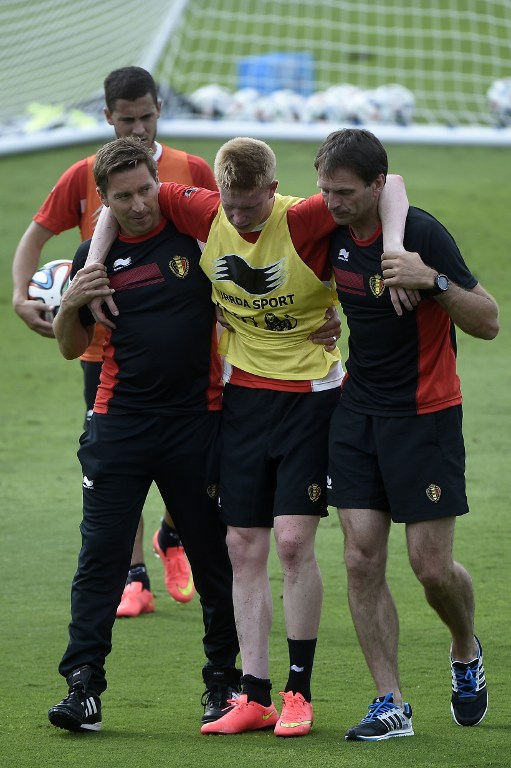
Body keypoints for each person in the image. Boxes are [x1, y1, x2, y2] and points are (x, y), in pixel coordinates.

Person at [87, 136, 410, 737]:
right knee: (242, 546)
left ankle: (299, 692)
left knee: (292, 542)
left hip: (312, 401)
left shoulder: (306, 216)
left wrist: (391, 250)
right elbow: (118, 199)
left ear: (273, 189)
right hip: (241, 402)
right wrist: (91, 264)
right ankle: (252, 695)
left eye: (249, 207)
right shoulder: (205, 210)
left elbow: (389, 186)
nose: (237, 218)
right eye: (229, 206)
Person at [47, 137, 242, 733]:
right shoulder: (92, 257)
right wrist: (69, 303)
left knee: (215, 560)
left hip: (197, 423)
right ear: (103, 200)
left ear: (157, 178)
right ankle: (83, 688)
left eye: (145, 189)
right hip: (120, 423)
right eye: (123, 196)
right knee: (100, 558)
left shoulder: (195, 239)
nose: (138, 204)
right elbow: (72, 347)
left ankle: (224, 686)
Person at [11, 66, 220, 617]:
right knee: (115, 469)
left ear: (158, 112)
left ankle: (173, 535)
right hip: (104, 346)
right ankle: (133, 577)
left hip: (185, 340)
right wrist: (19, 293)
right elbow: (37, 233)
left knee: (200, 463)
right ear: (108, 118)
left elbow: (226, 236)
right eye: (126, 120)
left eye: (147, 117)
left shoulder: (190, 170)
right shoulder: (84, 174)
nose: (138, 129)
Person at [314, 128, 499, 741]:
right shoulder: (331, 229)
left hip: (426, 417)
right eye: (326, 190)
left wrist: (432, 281)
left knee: (430, 568)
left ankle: (465, 650)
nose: (333, 202)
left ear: (373, 186)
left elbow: (490, 320)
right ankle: (389, 701)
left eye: (345, 191)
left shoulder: (420, 234)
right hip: (357, 414)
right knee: (361, 557)